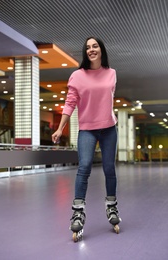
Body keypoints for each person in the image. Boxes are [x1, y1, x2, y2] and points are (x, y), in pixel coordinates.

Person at [52, 36, 121, 239]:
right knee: (84, 167)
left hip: (109, 128)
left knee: (109, 168)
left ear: (101, 50)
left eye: (95, 46)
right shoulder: (77, 75)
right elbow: (70, 103)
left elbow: (108, 100)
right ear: (85, 52)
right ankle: (78, 212)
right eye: (88, 47)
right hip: (87, 129)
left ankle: (112, 207)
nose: (91, 49)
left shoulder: (112, 73)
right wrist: (60, 128)